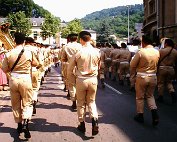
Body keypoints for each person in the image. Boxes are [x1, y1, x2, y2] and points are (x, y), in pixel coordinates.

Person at [2, 32, 40, 138]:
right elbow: (36, 64)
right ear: (24, 41)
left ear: (14, 41)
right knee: (27, 103)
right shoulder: (28, 52)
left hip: (13, 79)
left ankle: (18, 124)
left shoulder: (9, 53)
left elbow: (4, 69)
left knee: (15, 104)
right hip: (25, 79)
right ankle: (25, 123)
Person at [67, 31, 101, 135]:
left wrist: (71, 81)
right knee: (91, 101)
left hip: (81, 80)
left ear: (81, 39)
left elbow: (70, 69)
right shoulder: (97, 52)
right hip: (93, 79)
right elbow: (99, 67)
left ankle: (82, 124)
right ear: (90, 39)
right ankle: (94, 120)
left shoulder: (79, 53)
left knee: (81, 103)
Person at [130, 35, 160, 126]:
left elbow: (132, 65)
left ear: (144, 42)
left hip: (142, 77)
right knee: (150, 96)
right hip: (153, 76)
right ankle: (154, 113)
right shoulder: (157, 52)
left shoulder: (141, 52)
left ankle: (140, 115)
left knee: (140, 97)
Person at [61, 33, 82, 110]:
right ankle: (80, 101)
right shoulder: (81, 46)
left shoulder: (66, 47)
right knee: (79, 85)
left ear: (69, 39)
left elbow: (63, 58)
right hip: (80, 67)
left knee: (72, 85)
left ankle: (74, 102)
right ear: (77, 39)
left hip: (70, 66)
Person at [156, 38, 177, 104]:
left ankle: (160, 97)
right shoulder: (175, 51)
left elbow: (157, 60)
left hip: (162, 69)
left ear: (166, 44)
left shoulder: (161, 51)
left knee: (161, 83)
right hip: (171, 69)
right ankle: (173, 94)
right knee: (169, 82)